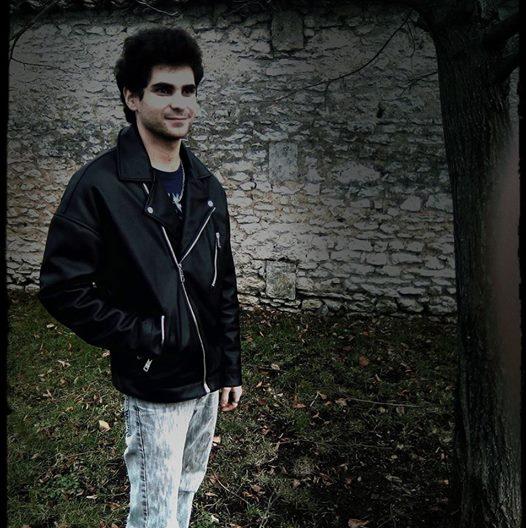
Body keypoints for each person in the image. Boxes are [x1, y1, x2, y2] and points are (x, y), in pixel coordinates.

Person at [38, 27, 243, 527]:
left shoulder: (206, 186)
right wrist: (148, 335)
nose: (180, 104)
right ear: (132, 97)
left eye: (188, 90)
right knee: (155, 512)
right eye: (163, 89)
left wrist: (229, 366)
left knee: (186, 491)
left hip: (206, 379)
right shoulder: (99, 186)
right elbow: (63, 288)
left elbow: (223, 283)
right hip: (156, 382)